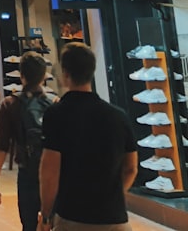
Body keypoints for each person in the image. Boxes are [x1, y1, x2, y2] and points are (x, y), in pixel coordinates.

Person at [38, 43, 137, 231]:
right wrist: (114, 196)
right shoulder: (118, 116)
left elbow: (50, 172)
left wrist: (45, 214)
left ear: (65, 74)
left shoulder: (56, 115)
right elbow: (131, 168)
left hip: (73, 219)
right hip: (116, 221)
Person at [0, 52, 55, 231]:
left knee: (29, 226)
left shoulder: (10, 104)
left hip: (28, 175)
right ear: (43, 77)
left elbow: (1, 147)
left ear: (21, 75)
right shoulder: (55, 105)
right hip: (54, 176)